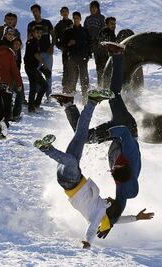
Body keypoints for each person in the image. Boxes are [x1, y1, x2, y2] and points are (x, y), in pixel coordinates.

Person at [34, 88, 154, 248]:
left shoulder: (100, 212)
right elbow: (118, 216)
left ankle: (46, 148)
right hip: (81, 173)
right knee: (82, 135)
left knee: (71, 160)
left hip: (71, 183)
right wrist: (135, 218)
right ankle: (89, 101)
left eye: (110, 201)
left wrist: (88, 241)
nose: (108, 198)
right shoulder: (106, 205)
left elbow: (96, 226)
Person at [52, 42, 141, 219]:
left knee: (84, 137)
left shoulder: (121, 189)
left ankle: (68, 104)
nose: (114, 164)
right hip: (126, 128)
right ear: (124, 164)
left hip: (115, 136)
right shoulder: (131, 156)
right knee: (113, 94)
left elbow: (118, 208)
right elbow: (123, 132)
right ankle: (117, 54)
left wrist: (109, 222)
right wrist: (106, 134)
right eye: (117, 164)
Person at [27, 4, 55, 101]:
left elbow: (54, 36)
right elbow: (29, 39)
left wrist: (52, 46)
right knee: (37, 74)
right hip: (36, 54)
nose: (35, 13)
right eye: (33, 12)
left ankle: (48, 95)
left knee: (48, 73)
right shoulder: (31, 25)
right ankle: (39, 95)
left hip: (47, 53)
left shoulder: (47, 23)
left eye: (36, 11)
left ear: (40, 11)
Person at [63, 11, 90, 103]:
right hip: (73, 57)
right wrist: (68, 47)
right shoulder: (68, 31)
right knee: (72, 78)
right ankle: (71, 99)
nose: (76, 20)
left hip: (83, 57)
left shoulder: (85, 30)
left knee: (84, 78)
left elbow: (89, 43)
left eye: (77, 18)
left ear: (80, 19)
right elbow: (65, 44)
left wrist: (88, 55)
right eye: (74, 18)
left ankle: (85, 98)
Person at [24, 26, 48, 113]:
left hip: (33, 67)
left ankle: (36, 104)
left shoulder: (36, 42)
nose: (39, 34)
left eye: (40, 33)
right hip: (30, 67)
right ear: (33, 33)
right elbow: (35, 55)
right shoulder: (32, 42)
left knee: (44, 85)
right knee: (33, 87)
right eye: (37, 32)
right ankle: (31, 107)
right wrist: (44, 64)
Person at [83, 0, 105, 86]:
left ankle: (101, 83)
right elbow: (84, 30)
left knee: (99, 64)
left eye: (94, 8)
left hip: (98, 43)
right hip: (89, 43)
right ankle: (85, 84)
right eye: (91, 8)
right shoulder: (87, 19)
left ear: (97, 8)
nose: (92, 9)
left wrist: (99, 40)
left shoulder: (101, 18)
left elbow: (103, 30)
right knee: (84, 62)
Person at [54, 7, 73, 90]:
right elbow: (54, 37)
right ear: (61, 13)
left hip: (73, 50)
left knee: (73, 68)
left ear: (68, 12)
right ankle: (65, 87)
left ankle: (72, 87)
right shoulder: (59, 25)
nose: (65, 13)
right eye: (63, 12)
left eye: (66, 11)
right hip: (65, 49)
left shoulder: (72, 22)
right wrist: (59, 46)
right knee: (66, 68)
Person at [10, 37, 24, 122]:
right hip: (9, 77)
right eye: (15, 44)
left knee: (20, 95)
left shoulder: (18, 53)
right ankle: (11, 115)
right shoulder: (9, 52)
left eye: (18, 45)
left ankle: (16, 114)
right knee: (10, 96)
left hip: (16, 76)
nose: (17, 46)